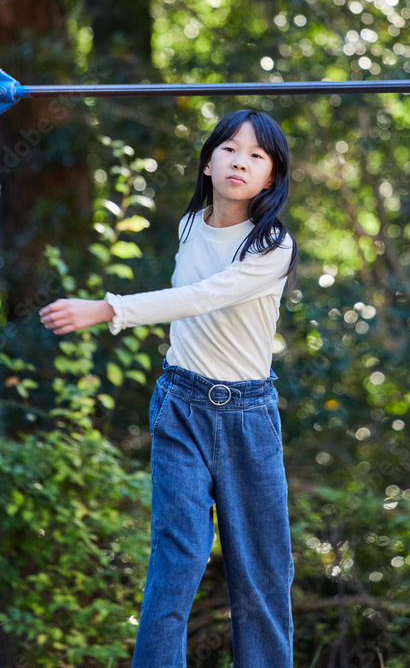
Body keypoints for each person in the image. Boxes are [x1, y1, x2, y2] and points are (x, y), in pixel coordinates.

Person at [39, 109, 298, 668]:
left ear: (271, 177)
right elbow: (188, 307)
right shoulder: (189, 226)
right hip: (180, 404)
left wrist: (109, 309)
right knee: (175, 562)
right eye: (230, 149)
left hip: (247, 418)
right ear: (208, 162)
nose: (241, 162)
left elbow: (204, 295)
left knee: (260, 575)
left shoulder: (271, 245)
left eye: (258, 156)